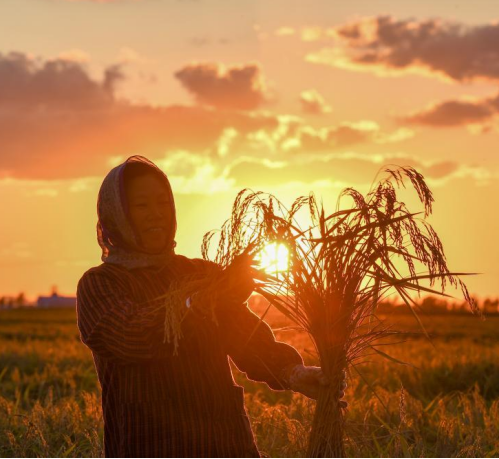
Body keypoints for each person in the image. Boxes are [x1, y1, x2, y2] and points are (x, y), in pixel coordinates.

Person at [76, 155, 345, 458]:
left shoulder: (199, 274)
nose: (156, 215)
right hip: (150, 443)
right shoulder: (100, 284)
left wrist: (294, 373)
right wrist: (202, 300)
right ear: (117, 215)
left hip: (225, 442)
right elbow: (131, 335)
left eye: (163, 203)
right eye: (141, 206)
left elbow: (247, 339)